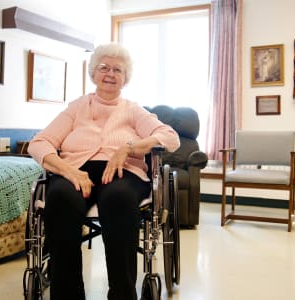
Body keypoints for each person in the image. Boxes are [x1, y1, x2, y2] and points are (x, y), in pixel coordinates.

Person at [27, 43, 180, 300]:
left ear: (126, 78)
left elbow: (169, 137)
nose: (110, 74)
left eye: (117, 70)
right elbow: (39, 143)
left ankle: (122, 294)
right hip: (76, 171)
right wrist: (68, 170)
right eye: (104, 67)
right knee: (60, 199)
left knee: (118, 199)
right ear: (94, 73)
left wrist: (129, 148)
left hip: (122, 172)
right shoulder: (76, 107)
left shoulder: (132, 109)